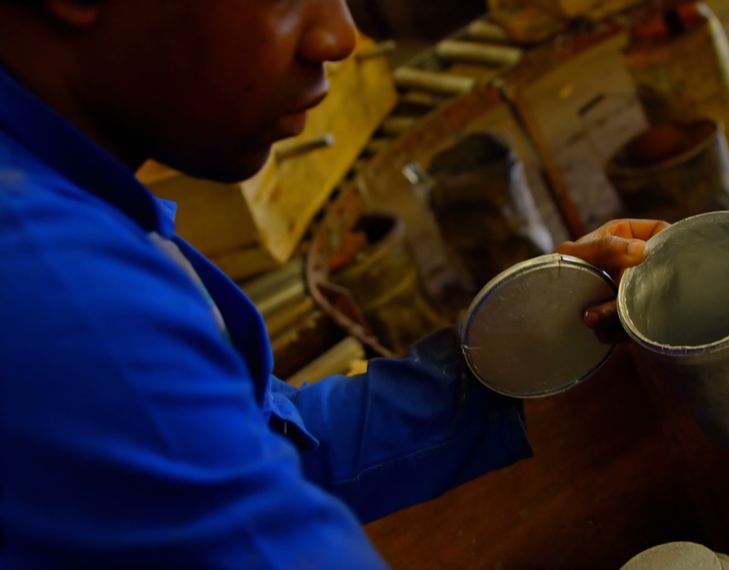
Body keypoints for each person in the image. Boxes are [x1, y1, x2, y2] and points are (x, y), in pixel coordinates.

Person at [0, 0, 668, 567]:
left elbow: (264, 447)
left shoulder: (57, 190)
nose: (340, 36)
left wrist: (527, 342)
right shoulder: (62, 299)